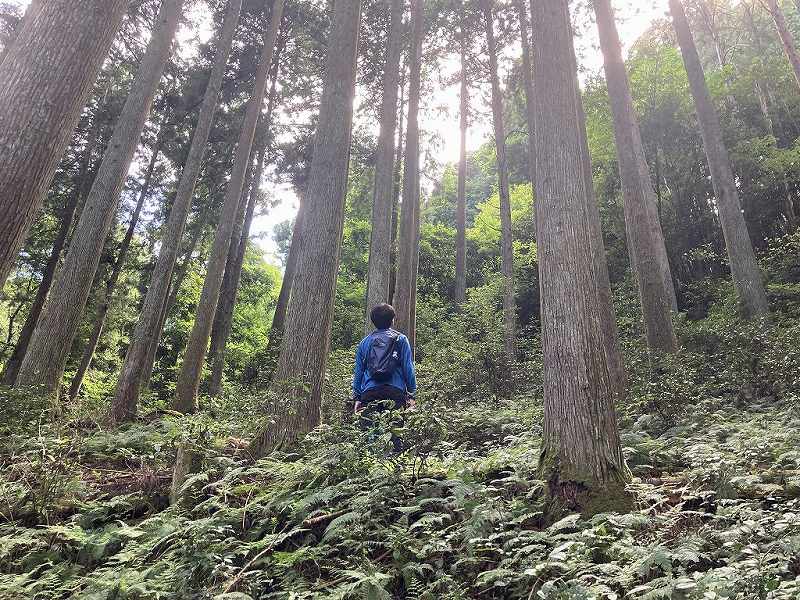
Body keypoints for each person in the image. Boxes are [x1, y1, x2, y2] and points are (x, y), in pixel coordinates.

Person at [352, 303, 417, 419]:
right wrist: (412, 394)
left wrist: (357, 397)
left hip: (370, 392)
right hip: (395, 391)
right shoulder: (401, 339)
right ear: (392, 320)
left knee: (370, 434)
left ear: (373, 321)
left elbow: (359, 372)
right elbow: (408, 368)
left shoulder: (365, 342)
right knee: (394, 434)